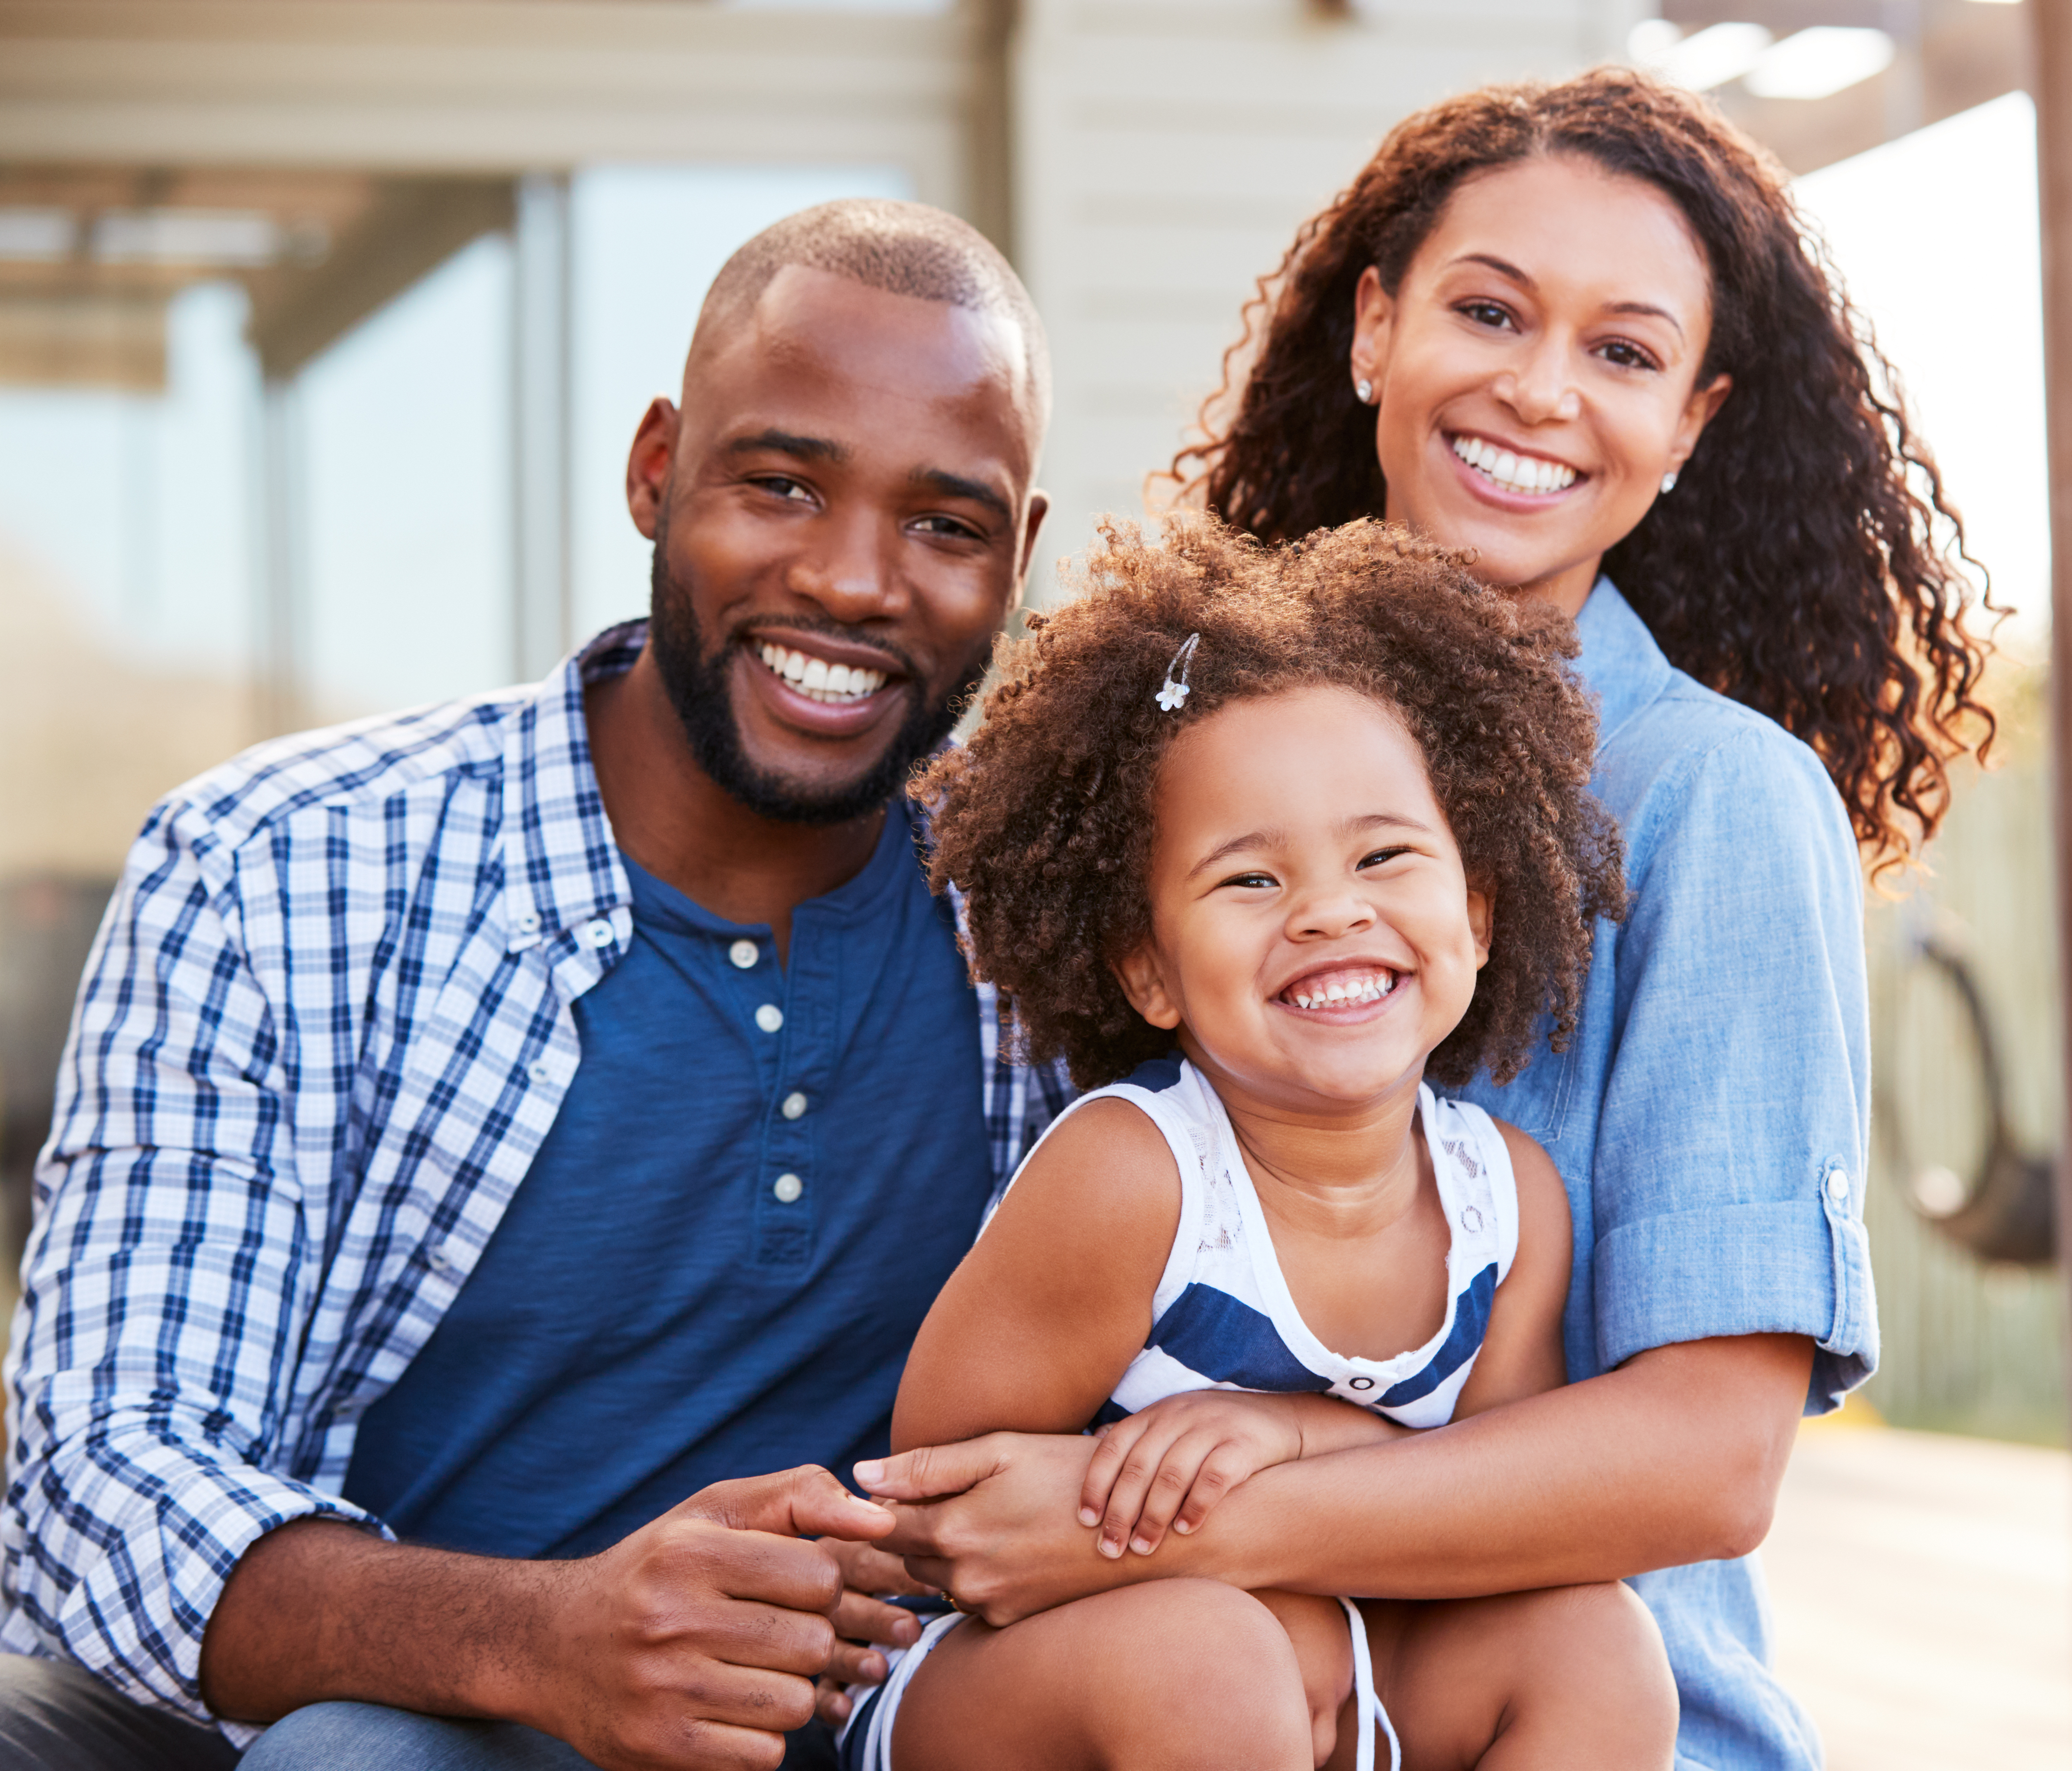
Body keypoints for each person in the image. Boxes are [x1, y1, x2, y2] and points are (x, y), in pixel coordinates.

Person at [855, 69, 1998, 1770]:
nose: (1541, 390)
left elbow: (1709, 1459)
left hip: (1568, 1709)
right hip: (1170, 1692)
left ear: (1691, 420)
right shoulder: (1184, 739)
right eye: (1488, 310)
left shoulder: (1714, 802)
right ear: (1376, 326)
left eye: (1625, 352)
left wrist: (1179, 1510)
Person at [0, 199, 1071, 1771]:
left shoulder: (1055, 934)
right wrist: (546, 1641)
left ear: (1019, 557)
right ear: (653, 469)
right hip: (351, 1708)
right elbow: (109, 1479)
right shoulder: (277, 871)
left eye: (945, 526)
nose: (852, 580)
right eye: (780, 485)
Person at [851, 517, 1665, 1771]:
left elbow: (1497, 1519)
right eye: (1250, 881)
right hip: (1022, 1695)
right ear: (1148, 968)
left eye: (1386, 855)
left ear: (1481, 909)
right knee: (1213, 1663)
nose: (1333, 911)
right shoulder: (1137, 1179)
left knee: (1595, 1643)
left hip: (1342, 1672)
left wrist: (1298, 1441)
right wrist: (1220, 1564)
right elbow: (941, 1508)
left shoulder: (1510, 1207)